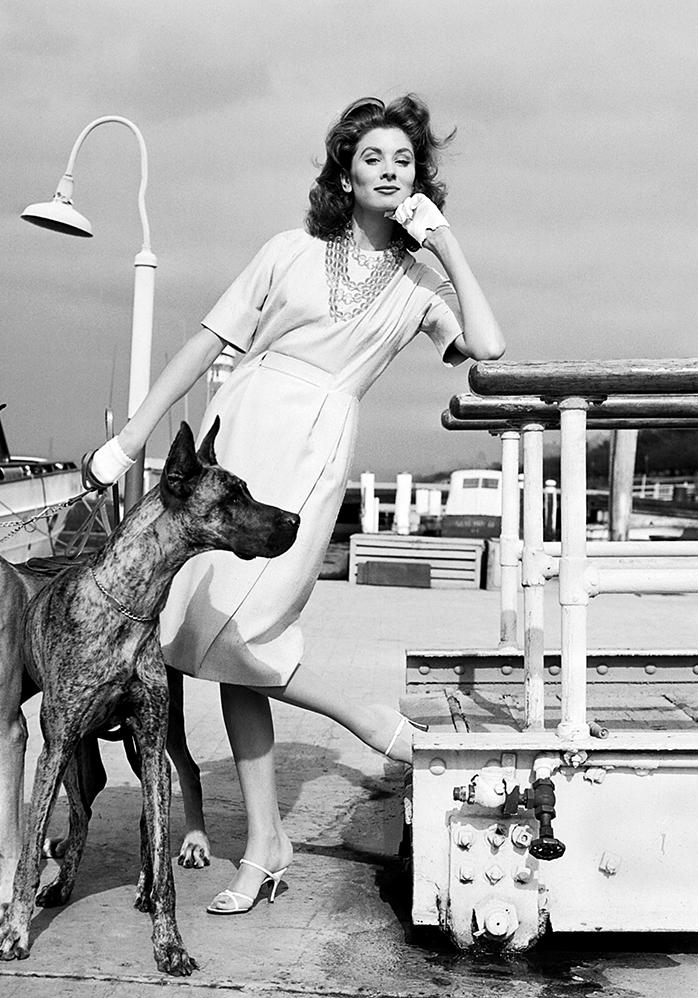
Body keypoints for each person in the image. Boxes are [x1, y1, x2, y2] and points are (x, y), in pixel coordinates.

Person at [83, 93, 505, 915]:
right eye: (373, 158)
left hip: (314, 447)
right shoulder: (288, 251)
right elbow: (209, 340)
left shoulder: (419, 286)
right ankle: (268, 844)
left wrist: (446, 242)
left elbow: (487, 348)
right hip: (240, 431)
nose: (389, 171)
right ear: (344, 173)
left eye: (405, 161)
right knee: (209, 637)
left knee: (248, 630)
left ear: (420, 181)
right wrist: (133, 438)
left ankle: (363, 724)